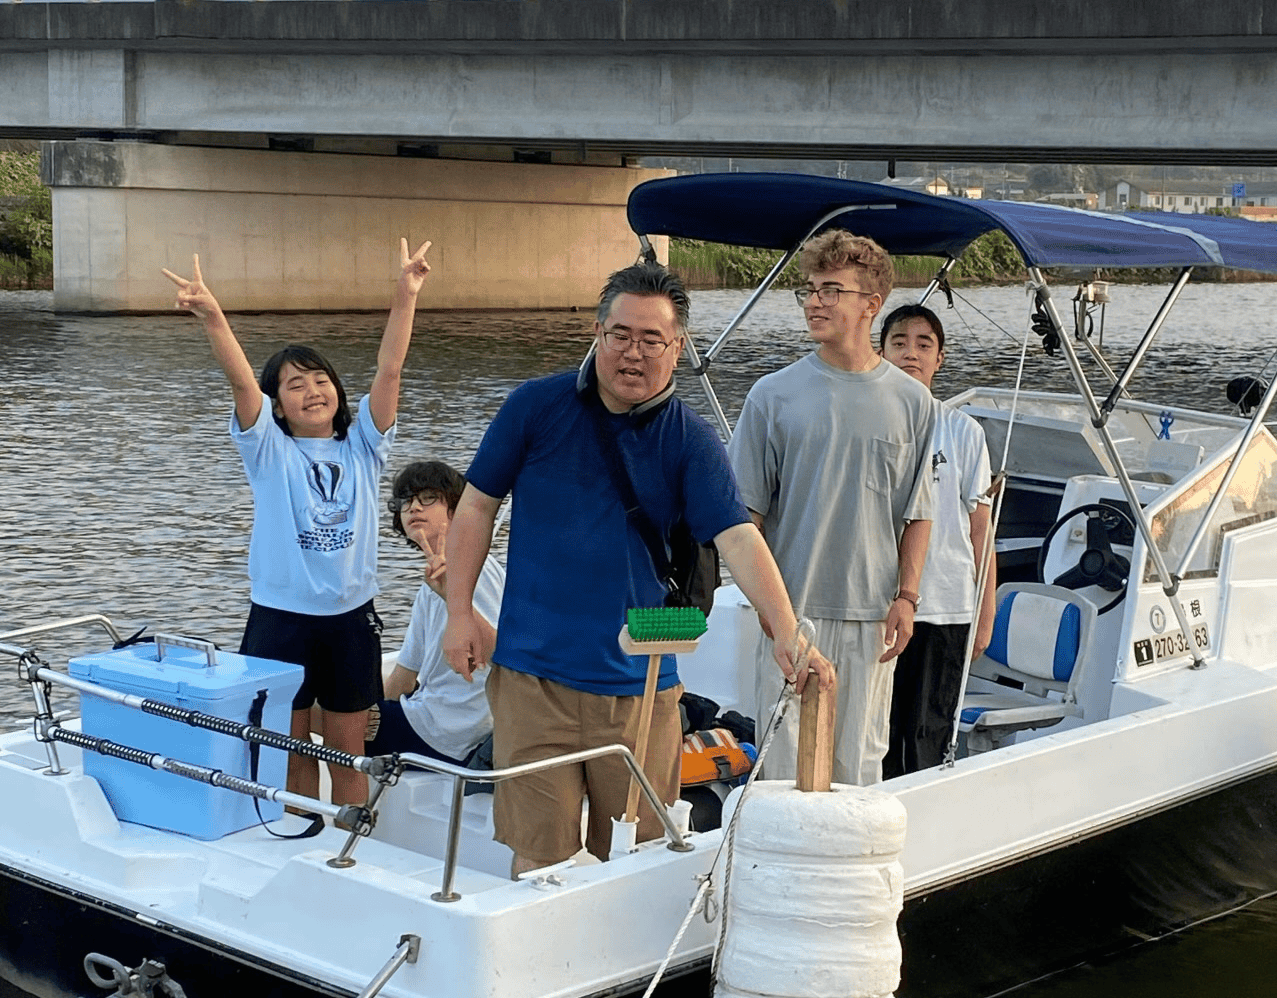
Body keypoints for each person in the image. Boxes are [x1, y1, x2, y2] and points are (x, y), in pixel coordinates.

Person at [442, 260, 830, 875]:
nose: (634, 352)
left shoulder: (690, 440)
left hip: (640, 688)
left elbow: (739, 539)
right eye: (620, 335)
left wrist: (787, 630)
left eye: (653, 339)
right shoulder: (534, 408)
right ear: (597, 333)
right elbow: (475, 508)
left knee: (633, 859)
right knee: (541, 863)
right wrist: (459, 612)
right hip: (530, 681)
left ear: (677, 348)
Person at [163, 240, 431, 809]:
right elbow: (241, 384)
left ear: (336, 390)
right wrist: (213, 317)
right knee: (291, 749)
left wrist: (405, 295)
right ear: (277, 406)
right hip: (280, 620)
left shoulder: (364, 446)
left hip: (350, 623)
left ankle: (351, 843)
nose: (312, 391)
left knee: (348, 751)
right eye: (294, 385)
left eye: (319, 380)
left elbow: (390, 369)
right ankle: (300, 840)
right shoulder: (269, 452)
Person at [726, 229, 935, 787]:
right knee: (782, 772)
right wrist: (777, 623)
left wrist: (908, 599)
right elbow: (742, 521)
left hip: (873, 621)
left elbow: (918, 513)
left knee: (859, 771)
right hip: (793, 616)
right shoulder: (772, 396)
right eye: (811, 290)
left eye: (831, 290)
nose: (815, 301)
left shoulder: (914, 402)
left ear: (872, 304)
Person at [878, 305, 995, 777]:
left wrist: (984, 614)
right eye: (899, 342)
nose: (911, 353)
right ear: (880, 352)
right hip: (878, 604)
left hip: (945, 604)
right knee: (876, 733)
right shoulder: (866, 422)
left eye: (923, 344)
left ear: (940, 358)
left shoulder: (964, 432)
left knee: (927, 733)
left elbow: (981, 532)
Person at [369, 460, 503, 765]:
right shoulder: (434, 580)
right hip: (435, 720)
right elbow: (405, 675)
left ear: (457, 512)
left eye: (428, 497)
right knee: (343, 706)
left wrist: (454, 600)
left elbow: (507, 658)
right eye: (405, 501)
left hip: (449, 731)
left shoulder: (472, 572)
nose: (414, 507)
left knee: (302, 709)